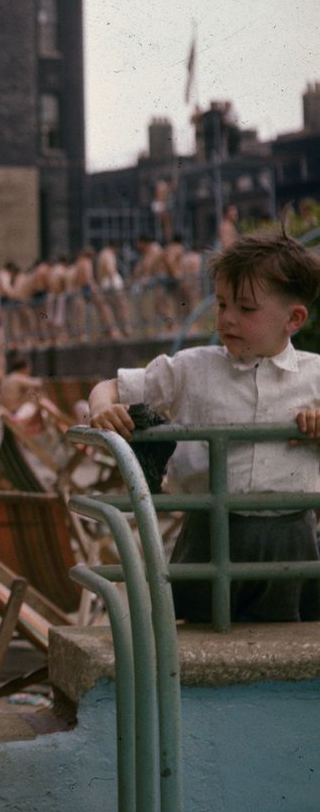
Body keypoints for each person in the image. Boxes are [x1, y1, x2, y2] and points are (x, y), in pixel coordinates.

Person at [88, 229, 320, 623]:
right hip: (210, 533)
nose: (227, 318)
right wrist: (101, 409)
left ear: (293, 318)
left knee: (292, 637)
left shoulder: (315, 375)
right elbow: (110, 387)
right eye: (222, 304)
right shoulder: (194, 369)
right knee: (201, 631)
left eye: (246, 309)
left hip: (291, 537)